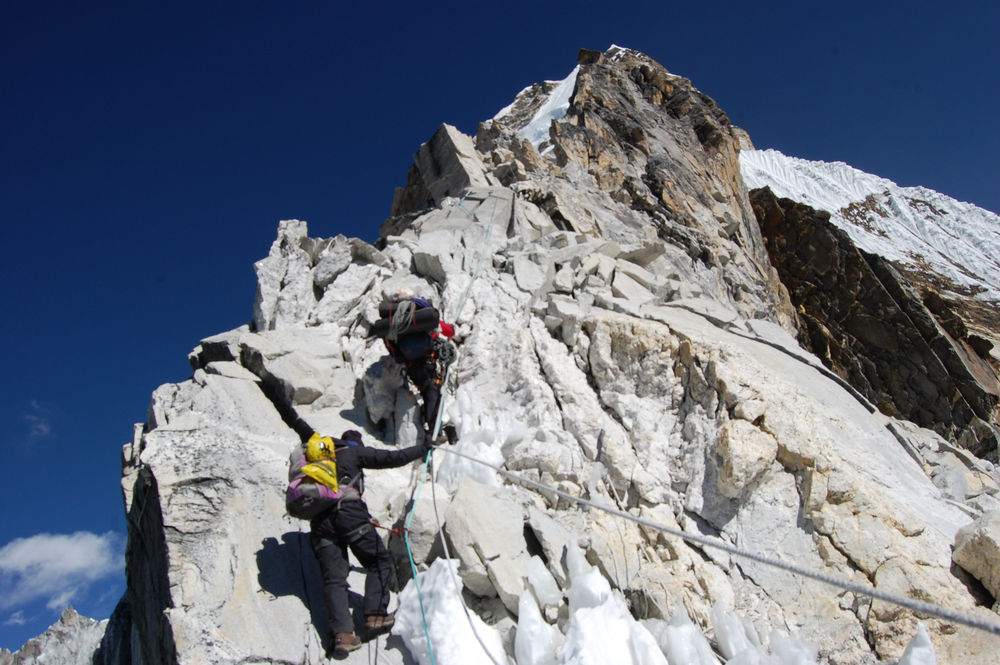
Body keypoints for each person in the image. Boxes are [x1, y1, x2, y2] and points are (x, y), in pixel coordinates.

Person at [308, 429, 434, 658]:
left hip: (319, 524)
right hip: (348, 515)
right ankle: (375, 615)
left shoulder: (320, 459)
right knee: (378, 560)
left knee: (334, 579)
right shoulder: (352, 452)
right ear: (355, 442)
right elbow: (391, 458)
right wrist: (423, 448)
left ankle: (343, 636)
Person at [382, 291, 458, 444]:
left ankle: (431, 425)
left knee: (427, 392)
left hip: (412, 366)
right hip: (429, 361)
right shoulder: (422, 316)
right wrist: (450, 329)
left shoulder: (395, 323)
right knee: (434, 393)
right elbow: (448, 331)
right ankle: (434, 433)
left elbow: (392, 348)